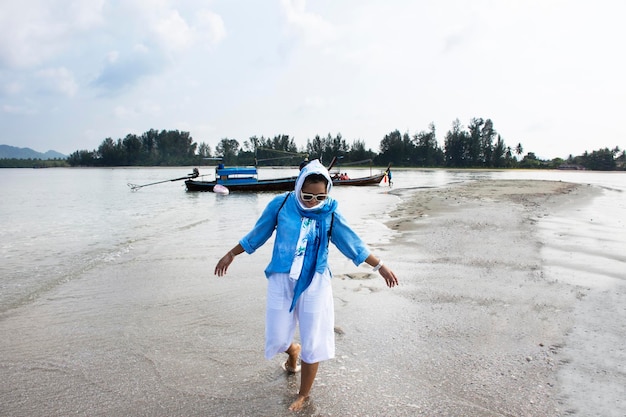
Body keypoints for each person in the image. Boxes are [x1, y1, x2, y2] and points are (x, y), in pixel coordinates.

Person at [214, 159, 399, 411]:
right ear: (299, 187)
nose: (313, 202)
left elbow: (353, 244)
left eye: (319, 197)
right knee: (277, 338)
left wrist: (380, 267)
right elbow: (257, 234)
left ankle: (303, 394)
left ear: (327, 193)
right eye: (307, 195)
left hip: (315, 282)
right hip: (282, 277)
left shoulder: (330, 212)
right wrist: (231, 254)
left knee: (315, 338)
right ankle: (292, 351)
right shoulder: (281, 205)